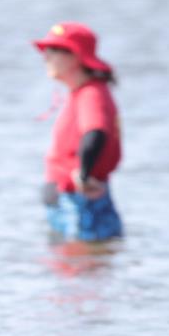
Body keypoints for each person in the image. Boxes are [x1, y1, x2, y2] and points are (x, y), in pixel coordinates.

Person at [33, 22, 123, 242]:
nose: (45, 57)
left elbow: (95, 133)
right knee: (69, 264)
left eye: (52, 51)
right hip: (67, 200)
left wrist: (83, 174)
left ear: (74, 56)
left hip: (79, 202)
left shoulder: (91, 93)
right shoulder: (81, 92)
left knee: (80, 267)